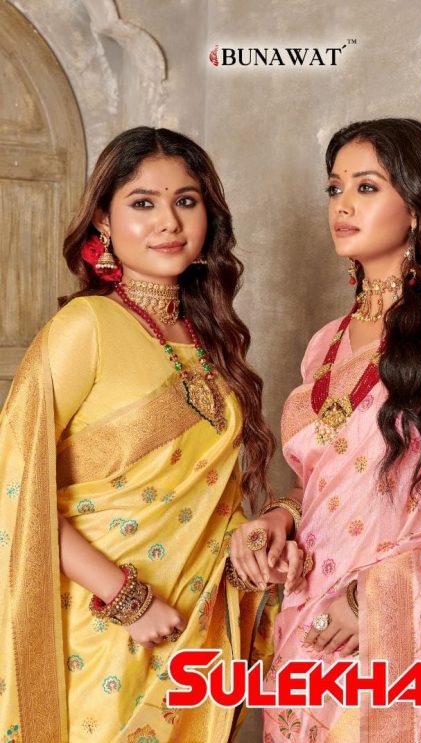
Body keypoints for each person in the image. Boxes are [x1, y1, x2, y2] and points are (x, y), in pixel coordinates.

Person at [232, 118, 421, 741]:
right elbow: (321, 486)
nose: (343, 204)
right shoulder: (327, 344)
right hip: (311, 624)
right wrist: (280, 519)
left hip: (397, 631)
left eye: (366, 187)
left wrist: (379, 594)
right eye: (335, 188)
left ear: (418, 208)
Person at [0, 126, 304, 743]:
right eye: (143, 203)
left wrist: (257, 542)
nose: (169, 221)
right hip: (101, 634)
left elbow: (209, 501)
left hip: (197, 627)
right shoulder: (85, 326)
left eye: (186, 201)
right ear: (103, 221)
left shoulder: (213, 340)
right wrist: (125, 598)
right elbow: (14, 487)